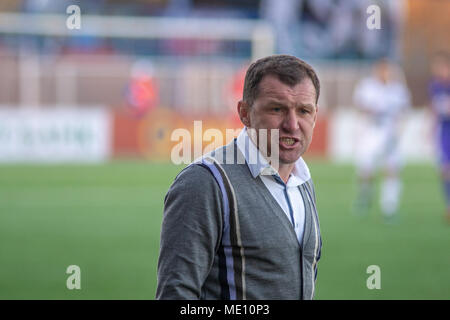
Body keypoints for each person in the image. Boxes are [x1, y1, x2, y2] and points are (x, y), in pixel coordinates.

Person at [156, 55, 322, 300]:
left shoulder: (302, 181)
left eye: (304, 111)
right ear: (244, 113)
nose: (292, 124)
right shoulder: (205, 182)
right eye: (277, 108)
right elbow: (176, 295)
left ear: (315, 115)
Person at [352, 58, 411, 222]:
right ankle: (364, 196)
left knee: (392, 169)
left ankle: (389, 207)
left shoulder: (398, 89)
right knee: (366, 169)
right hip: (371, 132)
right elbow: (359, 106)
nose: (385, 73)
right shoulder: (367, 86)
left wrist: (399, 131)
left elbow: (404, 111)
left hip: (390, 133)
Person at [428, 52, 450, 223]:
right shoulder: (435, 86)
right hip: (444, 132)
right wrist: (431, 128)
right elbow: (435, 108)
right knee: (444, 171)